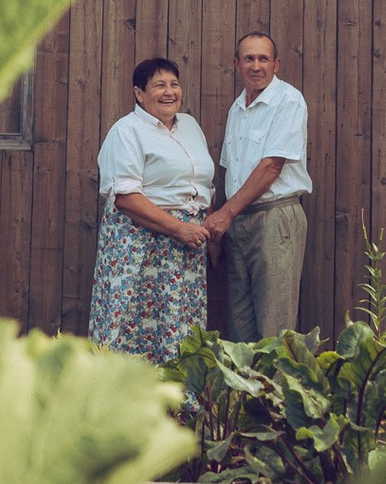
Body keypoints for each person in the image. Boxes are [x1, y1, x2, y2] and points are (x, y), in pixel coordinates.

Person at [89, 56, 214, 361]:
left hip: (185, 248)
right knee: (134, 323)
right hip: (142, 245)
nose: (169, 91)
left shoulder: (191, 127)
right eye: (159, 85)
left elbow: (201, 185)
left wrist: (205, 230)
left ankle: (178, 403)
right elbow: (126, 198)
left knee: (180, 322)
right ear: (139, 93)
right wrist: (179, 228)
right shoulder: (127, 131)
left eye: (174, 83)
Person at [204, 30, 312, 339]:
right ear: (236, 64)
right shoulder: (237, 109)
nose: (256, 66)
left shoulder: (288, 101)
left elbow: (271, 167)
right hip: (239, 223)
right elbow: (230, 171)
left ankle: (274, 389)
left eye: (263, 58)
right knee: (240, 324)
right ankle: (245, 389)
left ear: (276, 63)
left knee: (274, 326)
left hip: (275, 219)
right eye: (249, 59)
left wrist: (224, 215)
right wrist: (223, 227)